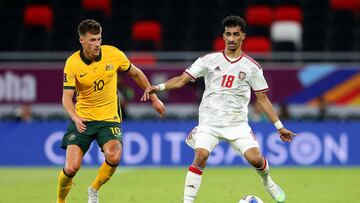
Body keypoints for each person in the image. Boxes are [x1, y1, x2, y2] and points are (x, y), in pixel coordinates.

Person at [142, 15, 296, 203]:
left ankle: (267, 181)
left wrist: (279, 126)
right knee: (201, 156)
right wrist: (159, 87)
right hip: (210, 122)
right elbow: (182, 79)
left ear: (243, 36)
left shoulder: (252, 67)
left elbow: (262, 100)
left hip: (237, 124)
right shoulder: (208, 60)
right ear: (223, 36)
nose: (231, 38)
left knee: (255, 159)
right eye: (228, 34)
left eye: (236, 34)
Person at [57, 19, 166, 203]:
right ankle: (60, 201)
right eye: (92, 40)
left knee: (114, 154)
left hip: (109, 117)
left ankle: (94, 189)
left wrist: (154, 98)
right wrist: (75, 117)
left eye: (99, 39)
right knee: (71, 168)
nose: (97, 44)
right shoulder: (73, 63)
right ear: (81, 40)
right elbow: (66, 97)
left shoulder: (113, 54)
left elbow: (137, 73)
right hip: (83, 118)